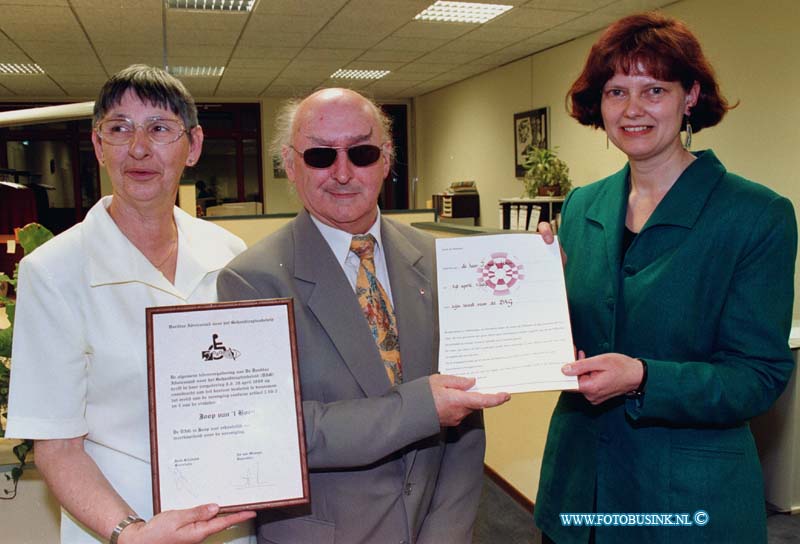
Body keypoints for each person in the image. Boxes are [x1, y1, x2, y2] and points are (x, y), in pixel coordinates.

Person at [534, 13, 796, 544]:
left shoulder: (755, 214)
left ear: (690, 96)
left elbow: (758, 377)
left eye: (654, 89)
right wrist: (539, 292)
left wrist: (645, 378)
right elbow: (580, 340)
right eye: (616, 91)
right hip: (579, 492)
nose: (632, 110)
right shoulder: (583, 204)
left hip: (683, 501)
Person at [217, 87, 510, 544]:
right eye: (319, 155)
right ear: (290, 165)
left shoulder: (437, 261)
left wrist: (445, 533)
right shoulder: (251, 281)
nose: (342, 172)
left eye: (362, 152)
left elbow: (466, 421)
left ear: (386, 160)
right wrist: (420, 408)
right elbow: (276, 430)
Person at [5, 65, 255, 543]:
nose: (139, 148)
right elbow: (57, 446)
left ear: (194, 146)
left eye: (160, 128)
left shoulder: (230, 255)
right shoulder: (54, 271)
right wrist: (131, 532)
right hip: (118, 528)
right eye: (119, 128)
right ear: (99, 147)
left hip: (227, 521)